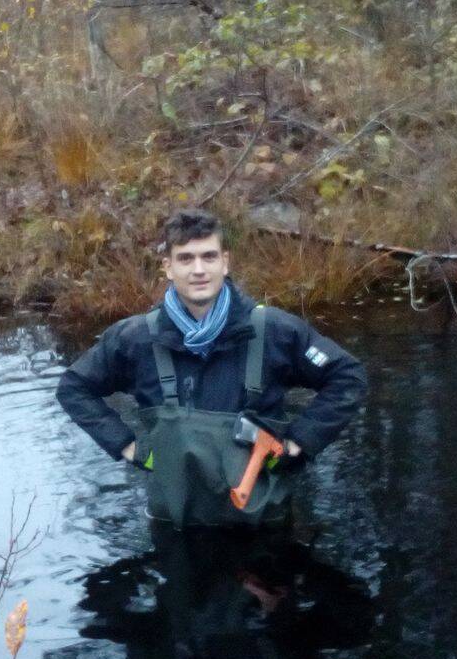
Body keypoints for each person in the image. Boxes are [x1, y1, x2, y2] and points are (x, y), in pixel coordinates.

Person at [56, 208, 366, 527]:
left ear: (225, 262)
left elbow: (347, 377)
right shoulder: (135, 339)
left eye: (209, 256)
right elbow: (73, 388)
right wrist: (127, 445)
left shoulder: (276, 330)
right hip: (173, 527)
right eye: (186, 258)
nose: (199, 269)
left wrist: (301, 440)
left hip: (263, 527)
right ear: (168, 268)